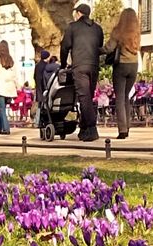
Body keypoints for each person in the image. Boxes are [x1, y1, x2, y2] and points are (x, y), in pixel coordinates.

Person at [60, 3, 104, 142]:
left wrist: (62, 64)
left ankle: (91, 129)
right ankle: (84, 128)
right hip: (94, 65)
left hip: (79, 66)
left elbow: (64, 47)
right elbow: (100, 45)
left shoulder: (72, 27)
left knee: (84, 98)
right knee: (88, 98)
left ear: (78, 13)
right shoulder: (98, 28)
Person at [102, 8, 140, 139]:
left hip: (121, 65)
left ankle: (122, 130)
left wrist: (96, 50)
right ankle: (127, 127)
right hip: (134, 65)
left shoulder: (118, 31)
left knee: (119, 98)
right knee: (126, 97)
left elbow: (109, 48)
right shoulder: (137, 33)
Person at [33, 50, 50, 126]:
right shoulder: (47, 65)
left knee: (39, 105)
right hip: (45, 87)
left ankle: (38, 121)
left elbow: (34, 76)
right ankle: (46, 120)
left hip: (38, 87)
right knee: (46, 105)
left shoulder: (37, 65)